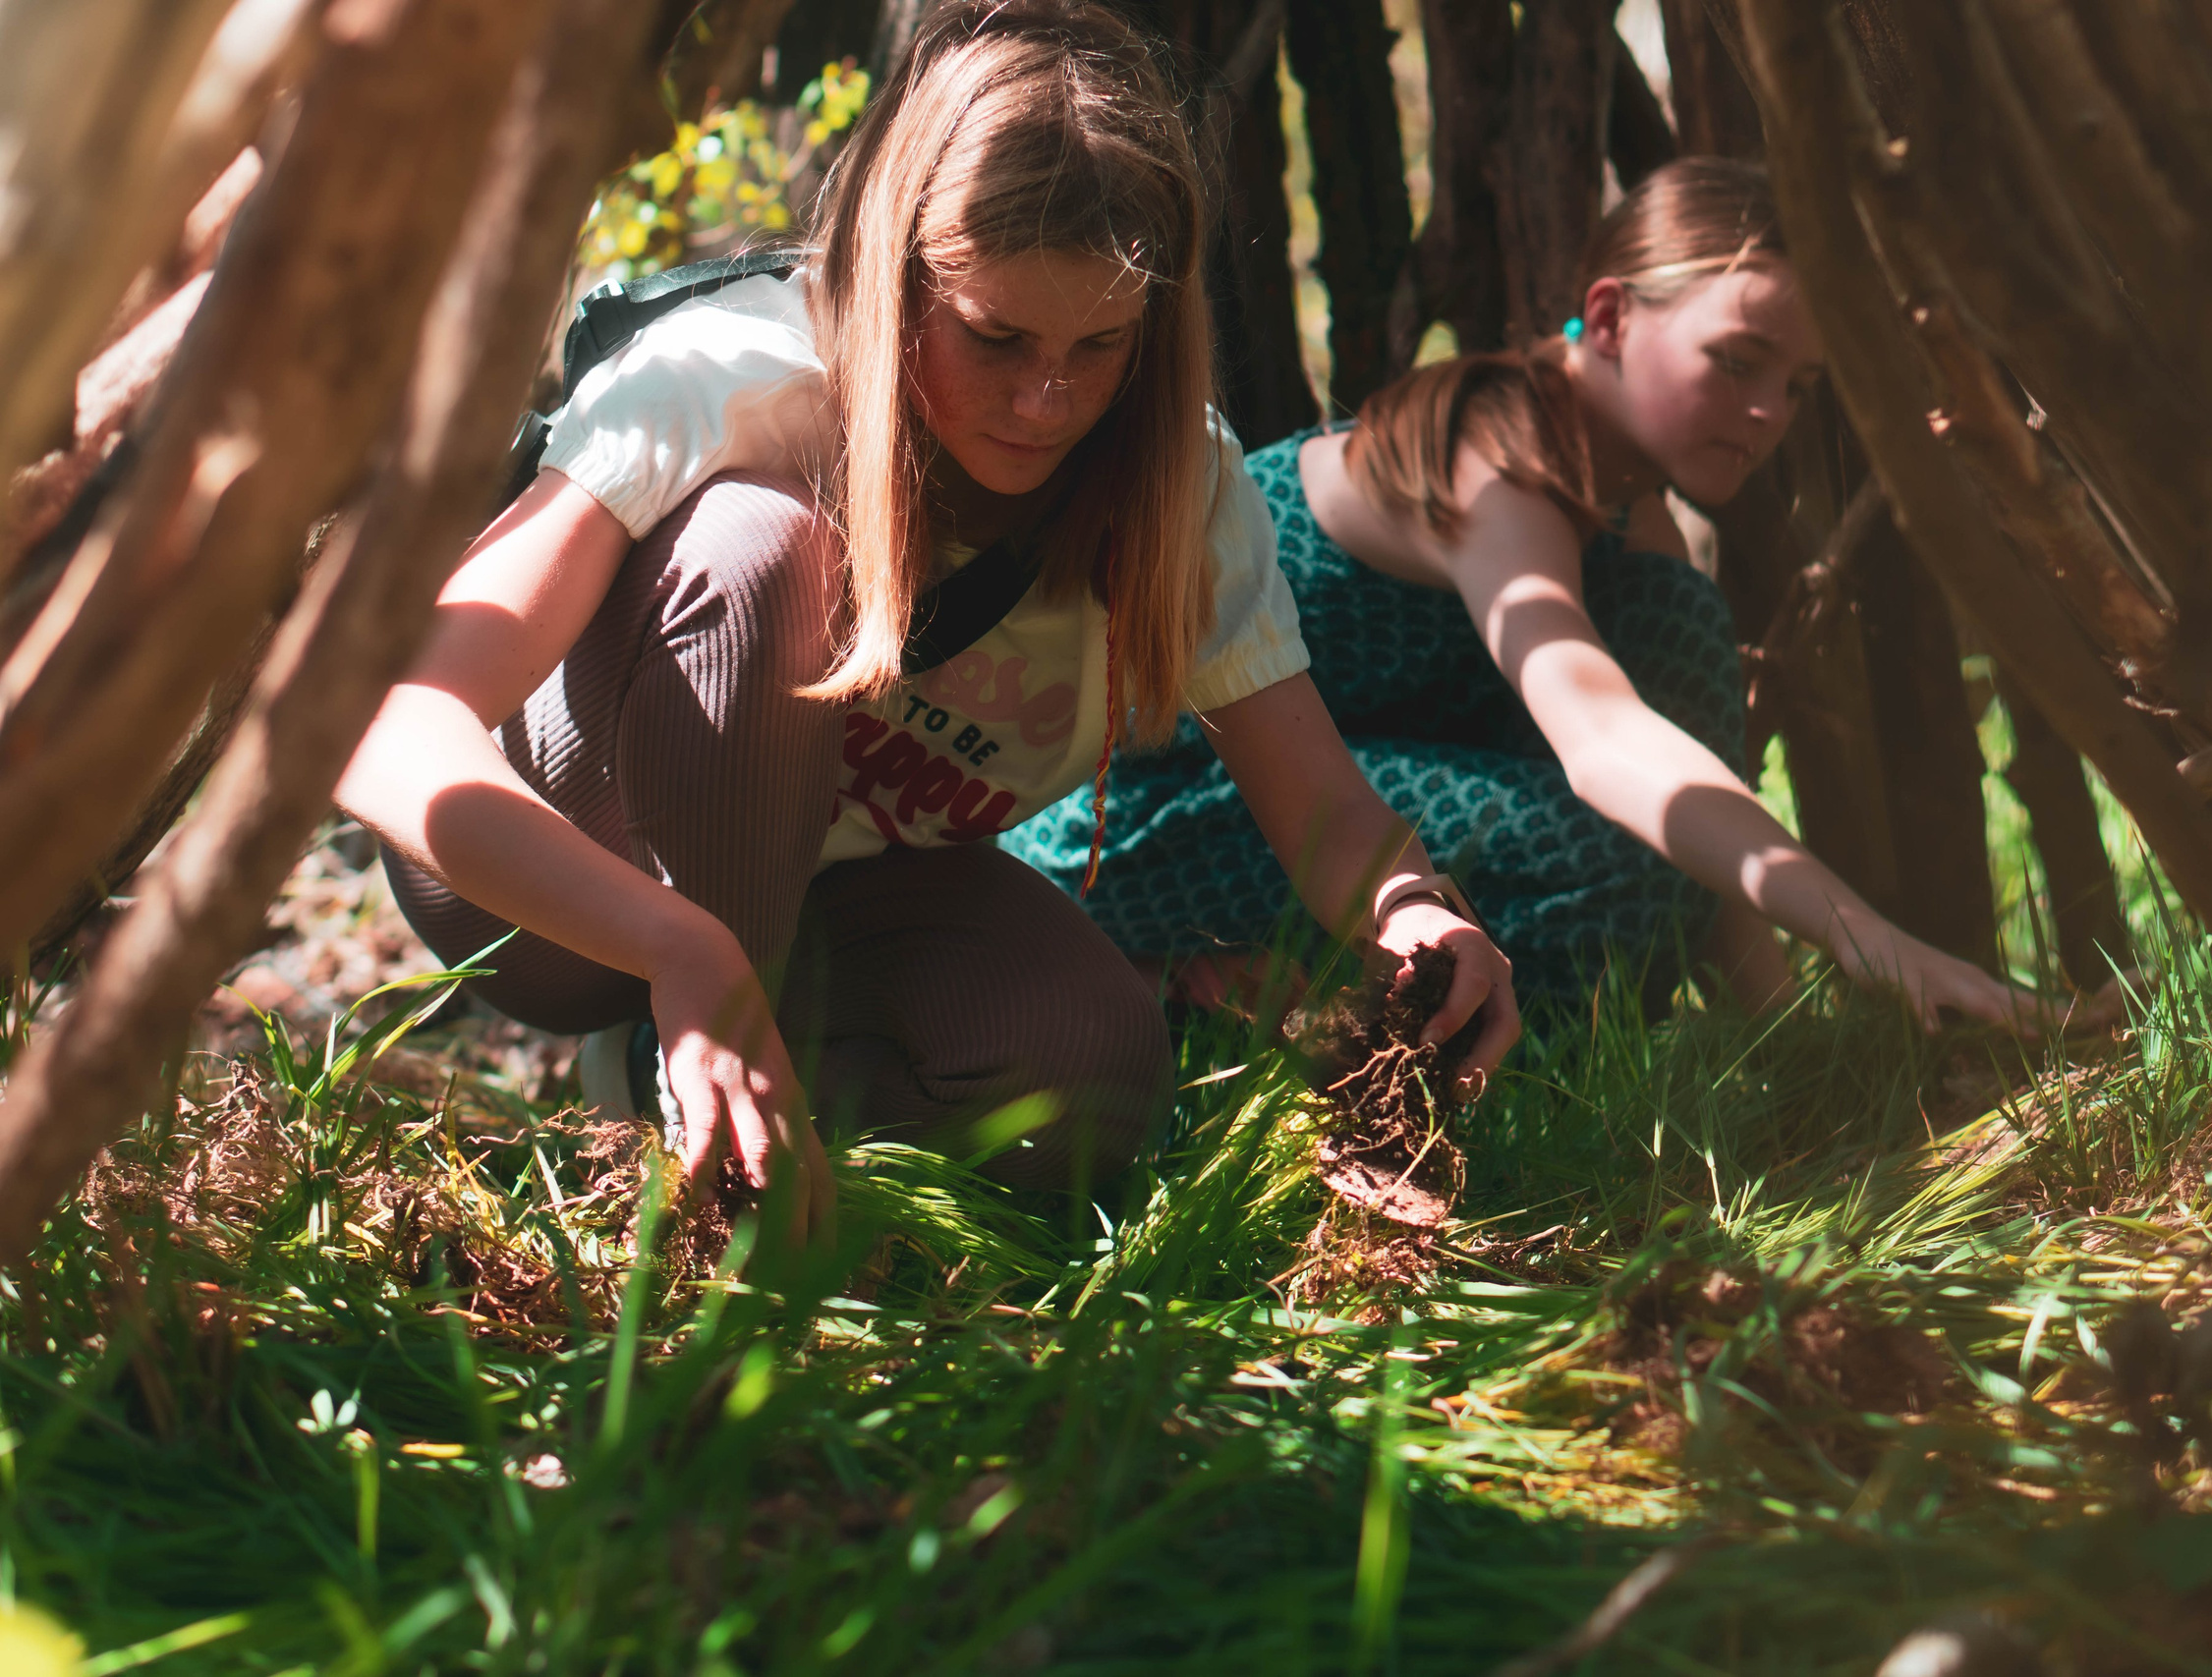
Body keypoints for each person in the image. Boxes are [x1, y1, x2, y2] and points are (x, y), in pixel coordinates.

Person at [334, 0, 1517, 1240]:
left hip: (829, 899)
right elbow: (392, 725)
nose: (1047, 399)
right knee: (769, 552)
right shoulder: (734, 378)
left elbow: (1324, 811)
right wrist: (684, 952)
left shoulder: (1179, 490)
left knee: (1094, 1078)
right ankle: (710, 1174)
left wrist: (1416, 910)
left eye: (1100, 344)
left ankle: (674, 1099)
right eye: (995, 336)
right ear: (895, 274)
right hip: (560, 879)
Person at [1007, 158, 2039, 1027]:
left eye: (1798, 385)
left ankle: (1378, 1009)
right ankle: (1218, 1001)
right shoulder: (1497, 458)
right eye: (1737, 361)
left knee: (1679, 634)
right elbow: (1603, 743)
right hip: (1151, 814)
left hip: (1348, 815)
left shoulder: (1636, 524)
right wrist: (1869, 938)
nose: (1767, 410)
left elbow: (1682, 762)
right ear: (1611, 317)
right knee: (1616, 854)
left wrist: (1781, 1029)